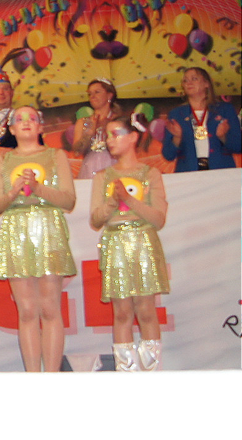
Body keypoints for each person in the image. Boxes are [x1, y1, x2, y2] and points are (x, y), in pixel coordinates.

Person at [0, 107, 76, 372]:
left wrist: (38, 188)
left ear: (40, 127)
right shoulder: (3, 160)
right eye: (19, 119)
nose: (26, 122)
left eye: (32, 118)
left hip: (49, 229)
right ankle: (33, 376)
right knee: (26, 311)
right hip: (16, 232)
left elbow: (69, 200)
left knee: (49, 308)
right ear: (11, 129)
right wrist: (13, 193)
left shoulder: (55, 155)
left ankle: (51, 375)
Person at [90, 114, 169, 372]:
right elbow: (96, 219)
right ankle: (126, 373)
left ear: (133, 137)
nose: (109, 140)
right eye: (107, 135)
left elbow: (158, 219)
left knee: (146, 310)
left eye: (115, 134)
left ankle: (151, 373)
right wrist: (113, 201)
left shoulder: (150, 174)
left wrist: (129, 199)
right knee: (122, 312)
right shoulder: (103, 177)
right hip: (115, 244)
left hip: (144, 242)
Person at [162, 67, 241, 171]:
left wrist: (223, 137)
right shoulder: (176, 114)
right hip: (189, 173)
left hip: (221, 172)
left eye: (194, 79)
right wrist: (177, 138)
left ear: (206, 83)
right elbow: (168, 155)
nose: (189, 83)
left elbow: (238, 147)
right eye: (185, 80)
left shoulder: (224, 110)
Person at [71, 78, 120, 179]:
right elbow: (77, 152)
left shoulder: (119, 120)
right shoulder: (83, 122)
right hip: (90, 168)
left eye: (97, 92)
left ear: (109, 95)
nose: (92, 96)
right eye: (90, 94)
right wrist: (89, 133)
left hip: (114, 166)